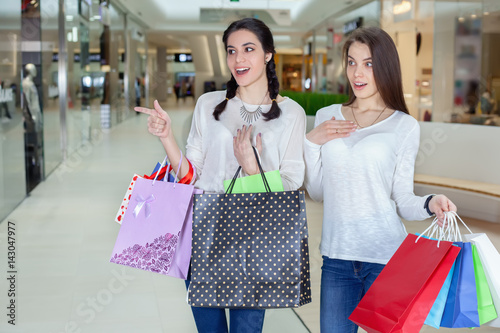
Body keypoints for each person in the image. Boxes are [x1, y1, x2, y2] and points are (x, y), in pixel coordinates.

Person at [135, 18, 306, 333]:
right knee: (209, 328)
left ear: (268, 54)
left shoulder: (291, 114)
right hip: (205, 228)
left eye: (248, 49)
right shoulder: (208, 104)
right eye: (231, 51)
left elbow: (293, 180)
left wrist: (252, 167)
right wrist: (167, 136)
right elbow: (191, 174)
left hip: (257, 233)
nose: (238, 59)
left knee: (247, 328)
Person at [303, 26, 457, 333]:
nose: (357, 72)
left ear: (385, 67)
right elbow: (319, 192)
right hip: (337, 258)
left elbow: (402, 200)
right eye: (351, 62)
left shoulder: (404, 126)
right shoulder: (326, 116)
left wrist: (431, 202)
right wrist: (311, 143)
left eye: (369, 63)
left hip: (386, 257)